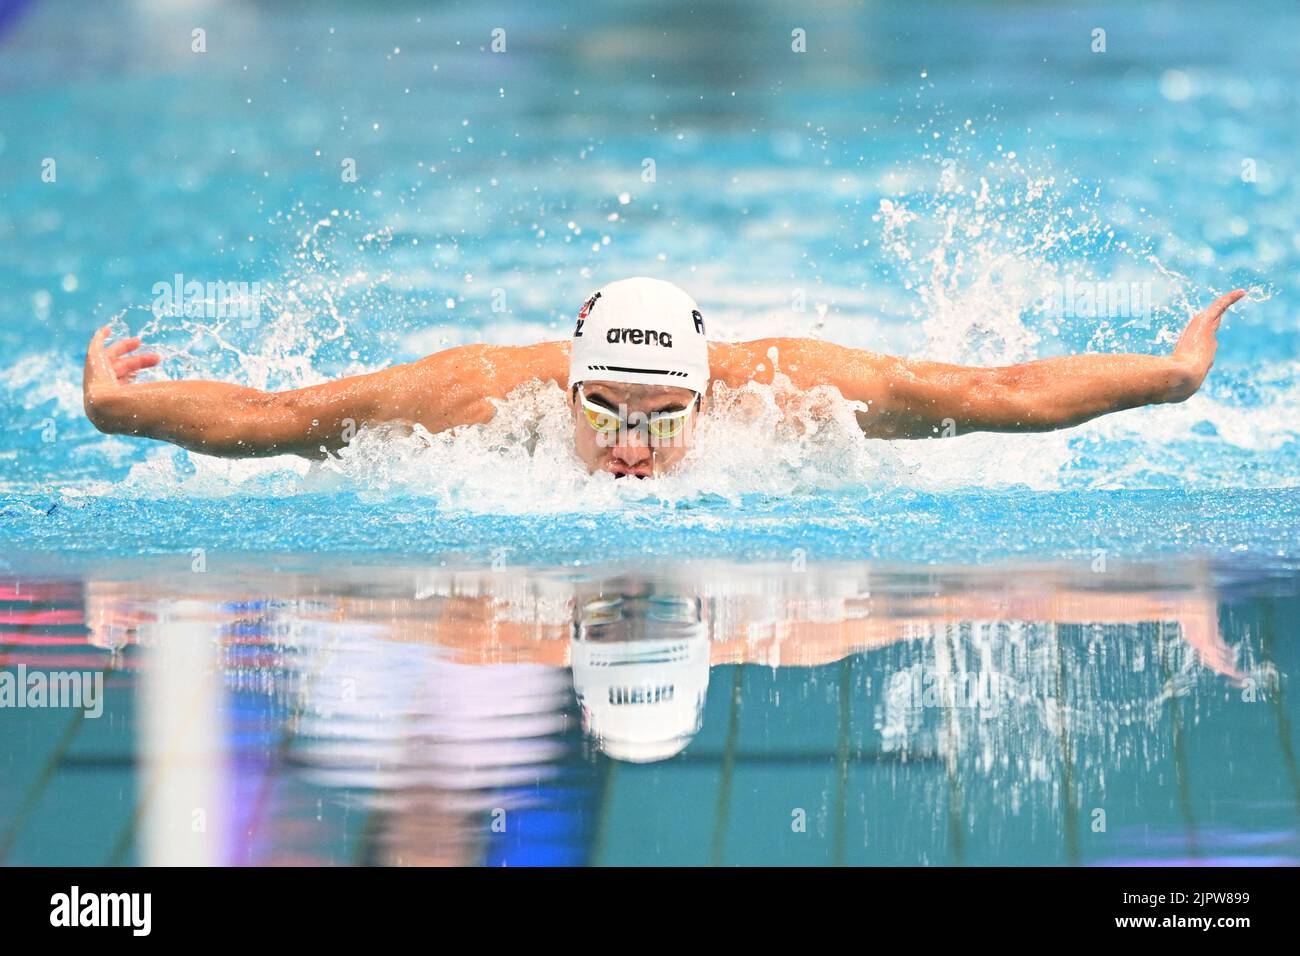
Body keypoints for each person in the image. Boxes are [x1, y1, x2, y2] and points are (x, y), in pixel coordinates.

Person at [82, 276, 1246, 479]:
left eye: (660, 416)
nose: (630, 445)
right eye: (603, 409)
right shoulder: (480, 398)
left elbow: (998, 395)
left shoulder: (790, 394)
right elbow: (278, 419)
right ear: (565, 389)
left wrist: (1171, 376)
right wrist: (119, 409)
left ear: (707, 398)